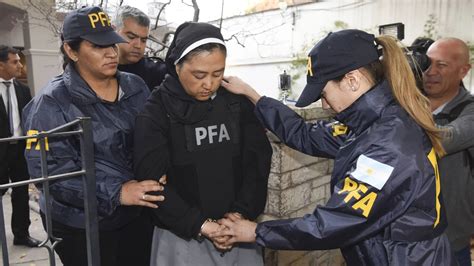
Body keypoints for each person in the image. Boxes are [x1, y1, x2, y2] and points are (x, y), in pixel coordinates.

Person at [211, 29, 456, 265]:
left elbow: (337, 222)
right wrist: (253, 96)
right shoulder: (371, 121)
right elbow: (305, 134)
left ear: (352, 80)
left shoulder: (389, 143)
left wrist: (257, 231)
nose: (325, 105)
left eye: (325, 93)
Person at [22, 6, 164, 266]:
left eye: (112, 43)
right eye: (98, 46)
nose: (111, 52)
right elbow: (49, 174)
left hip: (135, 215)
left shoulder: (135, 86)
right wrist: (117, 192)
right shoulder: (50, 104)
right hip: (80, 224)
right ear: (71, 50)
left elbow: (153, 137)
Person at [133, 22, 272, 265]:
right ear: (177, 66)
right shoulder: (156, 111)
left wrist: (239, 215)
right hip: (181, 238)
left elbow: (257, 162)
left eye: (218, 73)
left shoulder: (236, 103)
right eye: (199, 75)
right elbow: (152, 183)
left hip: (237, 231)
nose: (209, 83)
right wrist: (201, 225)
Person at [423, 37, 473, 266]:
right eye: (427, 63)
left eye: (441, 65)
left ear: (463, 71)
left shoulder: (469, 111)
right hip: (404, 239)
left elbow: (444, 139)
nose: (430, 72)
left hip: (450, 243)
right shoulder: (409, 105)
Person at [0, 45, 40, 248]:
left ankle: (21, 234)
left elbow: (31, 120)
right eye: (14, 61)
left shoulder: (23, 89)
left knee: (21, 192)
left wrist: (32, 148)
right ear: (1, 65)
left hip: (19, 150)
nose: (19, 65)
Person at [115, 5, 167, 91]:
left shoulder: (157, 74)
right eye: (131, 37)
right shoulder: (94, 67)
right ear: (114, 31)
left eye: (143, 40)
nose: (138, 45)